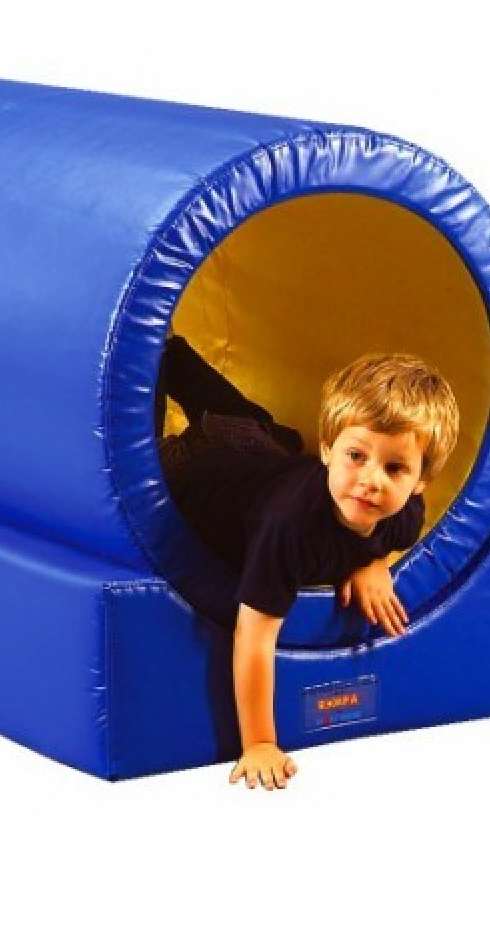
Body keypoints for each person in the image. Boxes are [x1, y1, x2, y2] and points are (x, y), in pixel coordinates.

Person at [156, 335, 460, 792]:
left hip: (258, 448)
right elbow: (254, 636)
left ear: (420, 482)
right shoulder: (290, 529)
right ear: (328, 450)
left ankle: (172, 355)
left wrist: (371, 561)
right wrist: (260, 743)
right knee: (138, 455)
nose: (371, 480)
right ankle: (159, 354)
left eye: (395, 468)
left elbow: (374, 535)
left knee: (264, 431)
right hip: (195, 472)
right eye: (355, 456)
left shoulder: (405, 517)